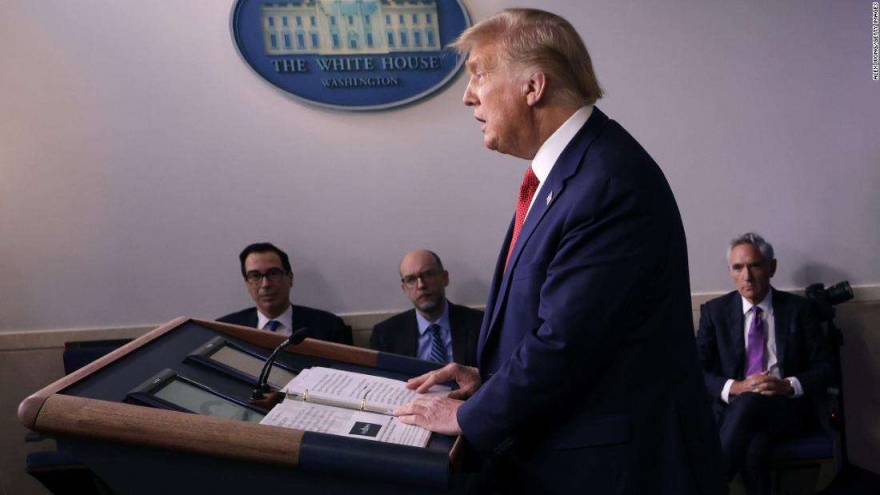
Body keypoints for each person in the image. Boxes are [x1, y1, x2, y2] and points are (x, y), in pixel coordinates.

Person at [393, 8, 726, 494]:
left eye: (479, 75)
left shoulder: (608, 182)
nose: (468, 96)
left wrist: (468, 415)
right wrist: (489, 381)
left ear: (533, 87)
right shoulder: (571, 172)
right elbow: (563, 324)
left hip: (620, 471)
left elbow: (565, 343)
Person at [695, 233, 832, 495]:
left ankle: (708, 486)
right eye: (738, 267)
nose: (746, 276)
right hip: (733, 413)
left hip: (784, 410)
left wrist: (786, 385)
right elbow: (696, 371)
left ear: (772, 267)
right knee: (755, 445)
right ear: (730, 272)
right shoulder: (715, 312)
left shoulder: (800, 310)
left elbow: (826, 369)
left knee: (749, 403)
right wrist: (736, 387)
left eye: (754, 266)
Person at [217, 242, 353, 345]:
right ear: (247, 284)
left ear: (290, 278)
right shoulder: (226, 330)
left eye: (273, 274)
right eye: (255, 276)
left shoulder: (328, 326)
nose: (265, 284)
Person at [370, 249, 482, 365]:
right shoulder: (385, 335)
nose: (421, 285)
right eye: (411, 279)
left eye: (428, 275)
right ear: (404, 289)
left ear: (445, 278)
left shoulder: (480, 325)